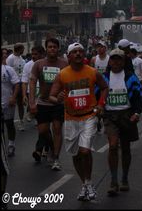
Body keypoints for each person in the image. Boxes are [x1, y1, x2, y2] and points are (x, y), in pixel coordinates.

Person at [49, 42, 108, 202]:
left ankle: (88, 184)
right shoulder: (62, 75)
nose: (78, 54)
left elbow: (104, 87)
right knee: (75, 154)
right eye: (74, 52)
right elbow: (52, 95)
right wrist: (57, 98)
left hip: (89, 116)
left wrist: (100, 105)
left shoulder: (93, 72)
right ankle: (85, 184)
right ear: (68, 56)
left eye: (80, 51)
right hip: (70, 119)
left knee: (85, 151)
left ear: (84, 55)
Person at [101, 48, 142, 196]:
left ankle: (124, 178)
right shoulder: (104, 77)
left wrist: (136, 113)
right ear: (110, 61)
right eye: (113, 59)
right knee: (113, 146)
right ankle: (113, 181)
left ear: (124, 61)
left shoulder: (131, 78)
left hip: (127, 116)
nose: (116, 62)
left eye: (119, 59)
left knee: (125, 149)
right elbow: (96, 95)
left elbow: (138, 98)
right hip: (110, 116)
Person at [29, 37, 68, 170]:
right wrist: (32, 102)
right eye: (50, 47)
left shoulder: (64, 64)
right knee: (43, 130)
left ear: (58, 49)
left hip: (58, 103)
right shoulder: (38, 64)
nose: (52, 49)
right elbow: (33, 82)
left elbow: (68, 83)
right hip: (43, 103)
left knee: (57, 129)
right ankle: (51, 147)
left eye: (54, 47)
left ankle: (56, 158)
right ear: (46, 49)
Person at [1, 48, 20, 157]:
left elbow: (17, 84)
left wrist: (13, 97)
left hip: (8, 103)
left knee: (9, 125)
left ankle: (11, 145)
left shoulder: (8, 69)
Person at [22, 45, 46, 122]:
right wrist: (24, 95)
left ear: (42, 54)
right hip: (32, 94)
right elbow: (24, 82)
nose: (33, 56)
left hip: (45, 95)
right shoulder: (27, 65)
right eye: (32, 54)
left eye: (36, 54)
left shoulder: (47, 63)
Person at [6, 43, 26, 130]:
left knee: (21, 103)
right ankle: (9, 121)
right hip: (14, 84)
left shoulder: (21, 58)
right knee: (12, 104)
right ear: (19, 49)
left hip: (21, 83)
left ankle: (21, 122)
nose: (23, 51)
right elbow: (7, 70)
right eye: (22, 49)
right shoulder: (10, 58)